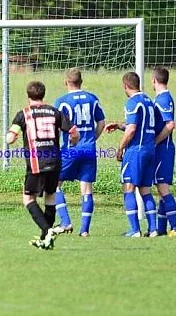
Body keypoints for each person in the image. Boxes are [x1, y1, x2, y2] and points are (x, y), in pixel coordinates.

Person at [6, 81, 79, 250]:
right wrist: (74, 141)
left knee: (28, 199)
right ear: (43, 95)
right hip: (55, 161)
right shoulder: (55, 112)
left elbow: (10, 138)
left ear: (28, 95)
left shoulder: (24, 114)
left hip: (36, 162)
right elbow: (74, 132)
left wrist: (13, 136)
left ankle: (47, 230)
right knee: (50, 198)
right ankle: (45, 240)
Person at [52, 68, 106, 237]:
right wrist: (92, 139)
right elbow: (102, 123)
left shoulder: (62, 101)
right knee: (87, 190)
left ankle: (66, 222)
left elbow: (55, 126)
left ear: (65, 82)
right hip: (89, 149)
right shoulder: (92, 98)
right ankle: (84, 230)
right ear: (81, 82)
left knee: (55, 185)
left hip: (70, 149)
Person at [106, 72, 158, 237]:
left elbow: (133, 129)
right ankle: (153, 229)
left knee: (128, 188)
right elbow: (139, 125)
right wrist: (120, 125)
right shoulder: (149, 101)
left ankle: (135, 230)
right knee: (145, 190)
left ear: (125, 86)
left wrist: (120, 148)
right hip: (150, 149)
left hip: (136, 151)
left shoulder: (132, 102)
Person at [151, 67, 176, 236]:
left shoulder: (162, 99)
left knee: (163, 188)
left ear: (153, 80)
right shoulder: (163, 98)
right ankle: (161, 229)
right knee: (160, 189)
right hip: (163, 149)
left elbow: (170, 124)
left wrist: (155, 141)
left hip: (164, 149)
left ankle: (175, 227)